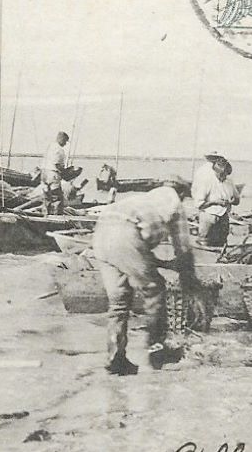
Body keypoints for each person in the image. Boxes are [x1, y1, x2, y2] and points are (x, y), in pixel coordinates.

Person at [91, 185, 204, 375]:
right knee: (155, 288)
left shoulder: (144, 199)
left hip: (101, 233)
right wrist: (189, 282)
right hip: (125, 234)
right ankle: (156, 351)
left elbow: (134, 252)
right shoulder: (175, 206)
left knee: (119, 301)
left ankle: (115, 358)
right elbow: (183, 250)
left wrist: (160, 263)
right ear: (182, 195)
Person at [190, 152, 241, 248]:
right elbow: (198, 204)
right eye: (221, 174)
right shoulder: (207, 181)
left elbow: (237, 200)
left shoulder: (229, 182)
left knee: (222, 243)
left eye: (225, 174)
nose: (223, 177)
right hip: (208, 216)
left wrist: (233, 200)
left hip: (224, 217)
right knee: (204, 242)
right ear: (215, 172)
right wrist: (215, 202)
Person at [41, 132, 76, 206]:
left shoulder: (50, 147)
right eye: (65, 141)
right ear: (61, 139)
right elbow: (57, 164)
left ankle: (46, 214)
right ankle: (56, 216)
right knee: (56, 197)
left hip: (44, 173)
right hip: (53, 174)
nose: (65, 144)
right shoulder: (59, 149)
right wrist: (66, 172)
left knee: (47, 196)